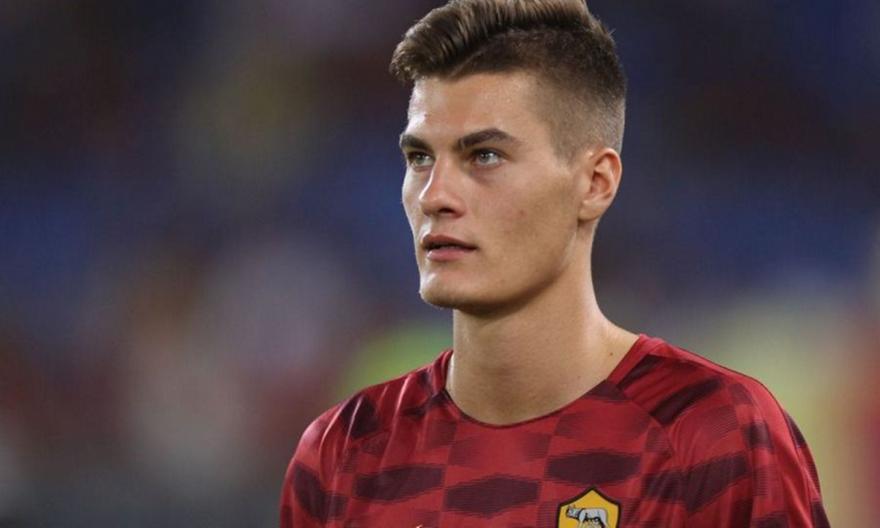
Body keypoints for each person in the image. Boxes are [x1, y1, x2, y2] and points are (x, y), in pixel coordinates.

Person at [279, 1, 828, 526]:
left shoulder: (712, 435)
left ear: (595, 183)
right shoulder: (344, 454)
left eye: (484, 156)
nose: (434, 195)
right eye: (420, 157)